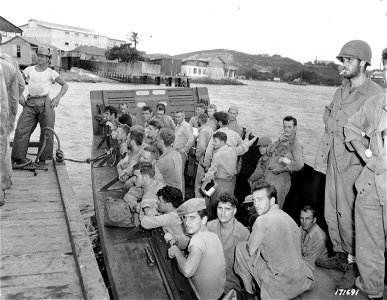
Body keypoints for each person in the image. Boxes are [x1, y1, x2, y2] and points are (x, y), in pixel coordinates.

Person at [314, 40, 384, 289]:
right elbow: (329, 114)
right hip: (334, 160)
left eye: (348, 60)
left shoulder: (376, 94)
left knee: (352, 217)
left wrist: (365, 155)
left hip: (355, 166)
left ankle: (355, 266)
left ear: (363, 63)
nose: (343, 64)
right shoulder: (340, 90)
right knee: (331, 211)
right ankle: (341, 256)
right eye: (342, 60)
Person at [343, 47, 387, 300]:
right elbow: (351, 127)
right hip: (370, 186)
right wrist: (364, 154)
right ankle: (373, 292)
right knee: (369, 247)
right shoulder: (376, 103)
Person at [234, 183, 314, 300]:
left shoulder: (261, 220)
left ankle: (249, 294)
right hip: (302, 279)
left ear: (272, 201)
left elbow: (250, 251)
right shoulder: (289, 217)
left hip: (278, 286)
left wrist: (252, 239)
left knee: (241, 248)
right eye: (254, 200)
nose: (256, 205)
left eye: (260, 200)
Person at [11, 47, 68, 166]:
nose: (40, 58)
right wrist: (20, 95)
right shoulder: (29, 70)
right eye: (38, 55)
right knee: (21, 129)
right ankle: (18, 157)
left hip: (46, 104)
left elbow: (65, 85)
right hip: (30, 103)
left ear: (48, 59)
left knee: (47, 131)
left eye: (42, 56)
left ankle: (42, 159)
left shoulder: (51, 72)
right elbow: (17, 82)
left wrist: (57, 98)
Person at [168, 197, 226, 300]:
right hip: (220, 295)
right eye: (185, 218)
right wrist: (177, 240)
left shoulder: (198, 238)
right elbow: (193, 244)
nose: (186, 223)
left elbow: (187, 271)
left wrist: (176, 252)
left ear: (204, 220)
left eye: (192, 218)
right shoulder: (212, 235)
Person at [201, 131, 257, 219]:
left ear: (223, 142)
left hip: (220, 184)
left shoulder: (218, 155)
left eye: (215, 141)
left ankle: (214, 221)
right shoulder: (233, 150)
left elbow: (211, 172)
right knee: (228, 204)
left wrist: (203, 186)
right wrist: (252, 138)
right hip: (231, 184)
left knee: (217, 205)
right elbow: (245, 146)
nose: (213, 143)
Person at [257, 115, 304, 208]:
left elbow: (299, 164)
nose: (286, 129)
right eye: (284, 126)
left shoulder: (296, 144)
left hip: (281, 179)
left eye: (289, 127)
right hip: (269, 176)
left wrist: (280, 170)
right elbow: (269, 152)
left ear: (295, 128)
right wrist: (278, 141)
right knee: (263, 205)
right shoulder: (282, 139)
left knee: (274, 206)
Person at [207, 193, 250, 294]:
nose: (222, 213)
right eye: (220, 208)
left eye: (227, 209)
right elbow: (194, 239)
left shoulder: (243, 234)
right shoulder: (209, 227)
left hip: (230, 285)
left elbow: (249, 267)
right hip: (209, 280)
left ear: (234, 211)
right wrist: (177, 240)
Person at [0, 58, 19, 205]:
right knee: (3, 149)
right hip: (3, 115)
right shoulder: (9, 67)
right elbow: (16, 94)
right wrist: (11, 120)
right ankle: (5, 182)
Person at [173, 110, 194, 195]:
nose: (177, 118)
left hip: (181, 154)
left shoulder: (186, 126)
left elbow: (191, 139)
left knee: (180, 176)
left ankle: (181, 195)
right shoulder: (178, 126)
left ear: (183, 116)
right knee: (176, 175)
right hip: (176, 153)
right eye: (176, 117)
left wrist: (183, 150)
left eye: (179, 117)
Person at [194, 113, 214, 197]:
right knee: (205, 185)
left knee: (198, 185)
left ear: (200, 120)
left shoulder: (203, 131)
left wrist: (197, 156)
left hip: (202, 160)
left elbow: (201, 147)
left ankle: (198, 206)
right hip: (209, 160)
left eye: (198, 119)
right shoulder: (210, 129)